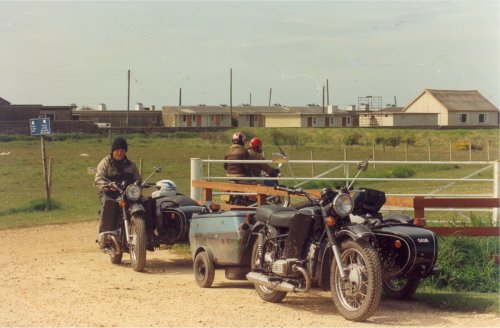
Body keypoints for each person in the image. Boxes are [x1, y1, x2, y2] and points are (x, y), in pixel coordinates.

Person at [94, 136, 141, 247]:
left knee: (142, 202)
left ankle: (144, 233)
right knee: (109, 204)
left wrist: (138, 184)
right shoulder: (105, 162)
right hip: (109, 192)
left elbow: (138, 178)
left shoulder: (131, 164)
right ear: (113, 150)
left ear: (125, 151)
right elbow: (98, 179)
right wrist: (107, 185)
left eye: (122, 150)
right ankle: (106, 235)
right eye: (117, 150)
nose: (120, 153)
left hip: (127, 193)